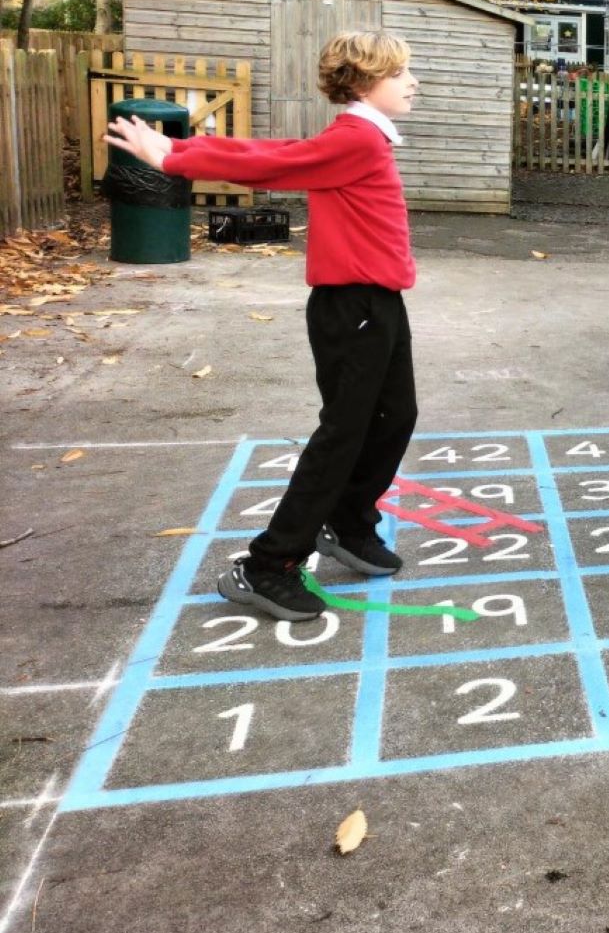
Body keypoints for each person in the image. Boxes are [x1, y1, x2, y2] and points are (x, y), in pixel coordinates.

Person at [103, 31, 421, 623]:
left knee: (396, 415)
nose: (412, 81)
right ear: (365, 82)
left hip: (379, 301)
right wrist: (174, 158)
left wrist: (184, 146)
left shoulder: (360, 137)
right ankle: (268, 565)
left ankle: (350, 521)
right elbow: (276, 163)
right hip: (351, 305)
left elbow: (273, 148)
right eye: (400, 72)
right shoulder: (357, 139)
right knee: (343, 433)